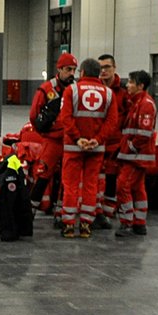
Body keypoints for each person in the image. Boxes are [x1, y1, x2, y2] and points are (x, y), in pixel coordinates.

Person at [58, 58, 120, 238]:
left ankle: (68, 224)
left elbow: (66, 118)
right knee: (91, 185)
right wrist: (97, 140)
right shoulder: (108, 94)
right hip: (96, 149)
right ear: (98, 73)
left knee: (70, 185)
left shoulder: (72, 90)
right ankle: (86, 224)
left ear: (82, 73)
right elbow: (112, 122)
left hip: (73, 147)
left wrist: (78, 139)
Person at [29, 54, 75, 216]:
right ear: (60, 69)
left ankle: (60, 209)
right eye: (68, 69)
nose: (71, 73)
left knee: (66, 177)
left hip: (70, 140)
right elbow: (34, 115)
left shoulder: (74, 89)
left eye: (74, 70)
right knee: (43, 173)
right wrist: (43, 132)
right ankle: (30, 209)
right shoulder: (47, 89)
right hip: (52, 140)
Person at [112, 70, 157, 237]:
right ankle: (139, 223)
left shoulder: (145, 104)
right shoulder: (135, 103)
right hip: (134, 155)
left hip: (136, 156)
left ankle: (127, 222)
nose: (127, 85)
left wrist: (131, 147)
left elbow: (144, 133)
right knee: (138, 188)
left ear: (140, 85)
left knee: (122, 186)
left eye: (131, 82)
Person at [93, 53, 129, 228]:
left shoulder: (124, 93)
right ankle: (98, 212)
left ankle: (108, 212)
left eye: (107, 67)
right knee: (96, 179)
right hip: (97, 144)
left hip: (116, 146)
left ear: (114, 68)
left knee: (112, 180)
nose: (103, 71)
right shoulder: (95, 91)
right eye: (100, 68)